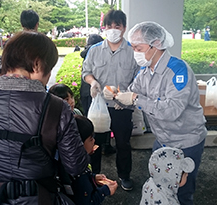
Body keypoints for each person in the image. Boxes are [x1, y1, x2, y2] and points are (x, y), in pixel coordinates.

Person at [0, 31, 88, 204]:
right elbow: (76, 165)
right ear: (37, 64)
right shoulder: (57, 107)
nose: (48, 77)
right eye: (50, 69)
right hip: (40, 199)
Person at [114, 21, 207, 204]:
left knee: (181, 192)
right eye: (133, 48)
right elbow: (134, 92)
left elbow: (172, 110)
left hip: (185, 141)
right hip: (163, 140)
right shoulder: (145, 70)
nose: (135, 53)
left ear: (156, 44)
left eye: (138, 47)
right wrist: (119, 97)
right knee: (160, 188)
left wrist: (134, 99)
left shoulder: (178, 70)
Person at [82, 9, 140, 189]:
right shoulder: (94, 50)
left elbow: (139, 77)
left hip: (122, 105)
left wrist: (126, 95)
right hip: (100, 106)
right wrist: (92, 83)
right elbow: (86, 72)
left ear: (124, 28)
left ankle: (124, 175)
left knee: (123, 142)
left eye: (117, 26)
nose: (113, 29)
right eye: (109, 26)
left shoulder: (133, 51)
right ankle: (94, 176)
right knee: (95, 143)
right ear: (104, 28)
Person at [67, 115, 118, 205]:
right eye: (90, 139)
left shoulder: (70, 161)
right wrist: (106, 191)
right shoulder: (79, 173)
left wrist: (93, 178)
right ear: (79, 145)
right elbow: (88, 202)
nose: (94, 141)